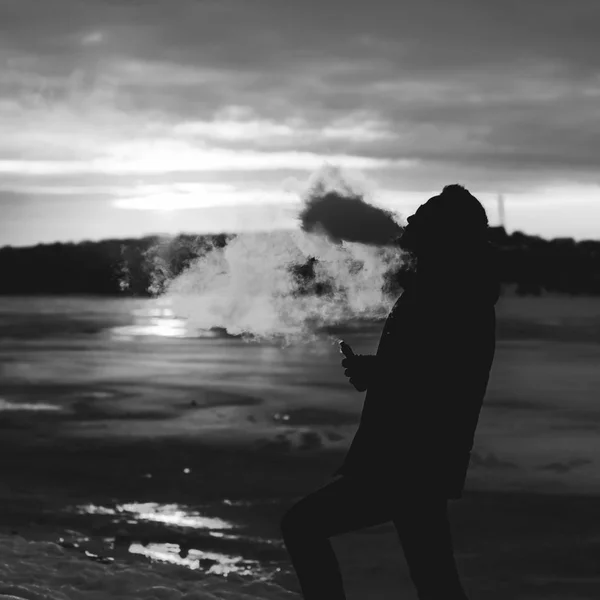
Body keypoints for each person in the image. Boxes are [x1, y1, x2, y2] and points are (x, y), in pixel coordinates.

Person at [280, 184, 500, 600]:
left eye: (422, 216)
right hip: (420, 457)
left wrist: (378, 372)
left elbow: (439, 375)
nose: (410, 220)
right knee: (434, 577)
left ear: (444, 233)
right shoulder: (444, 285)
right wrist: (375, 372)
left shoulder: (450, 291)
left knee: (302, 525)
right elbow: (424, 368)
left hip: (408, 458)